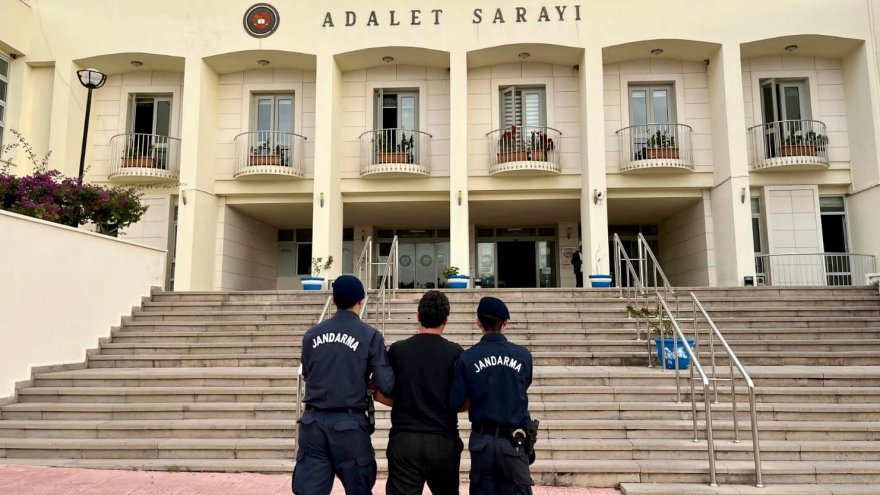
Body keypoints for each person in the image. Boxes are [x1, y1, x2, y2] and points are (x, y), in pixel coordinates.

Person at [292, 275, 394, 495]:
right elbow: (386, 384)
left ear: (334, 300)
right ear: (361, 301)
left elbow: (308, 373)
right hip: (349, 424)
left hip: (313, 424)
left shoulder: (311, 335)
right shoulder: (370, 336)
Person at [373, 290, 465, 495]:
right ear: (446, 320)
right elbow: (461, 399)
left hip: (405, 439)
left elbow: (383, 392)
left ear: (418, 316)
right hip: (443, 439)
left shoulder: (398, 350)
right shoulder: (456, 353)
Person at [450, 296, 535, 494]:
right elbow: (523, 385)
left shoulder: (468, 357)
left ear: (478, 322)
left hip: (482, 442)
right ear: (505, 323)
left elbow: (455, 401)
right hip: (514, 441)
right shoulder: (523, 356)